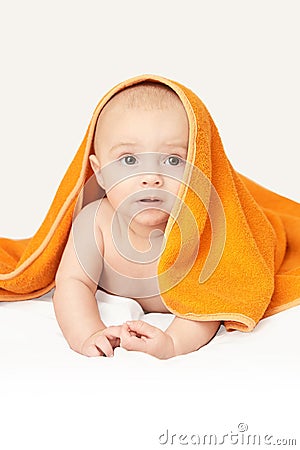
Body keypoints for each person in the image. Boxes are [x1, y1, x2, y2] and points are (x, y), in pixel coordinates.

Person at [52, 82, 221, 359]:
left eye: (173, 160)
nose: (151, 176)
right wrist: (88, 333)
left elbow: (211, 300)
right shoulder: (94, 222)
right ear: (100, 173)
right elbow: (73, 283)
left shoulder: (201, 228)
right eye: (129, 160)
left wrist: (173, 343)